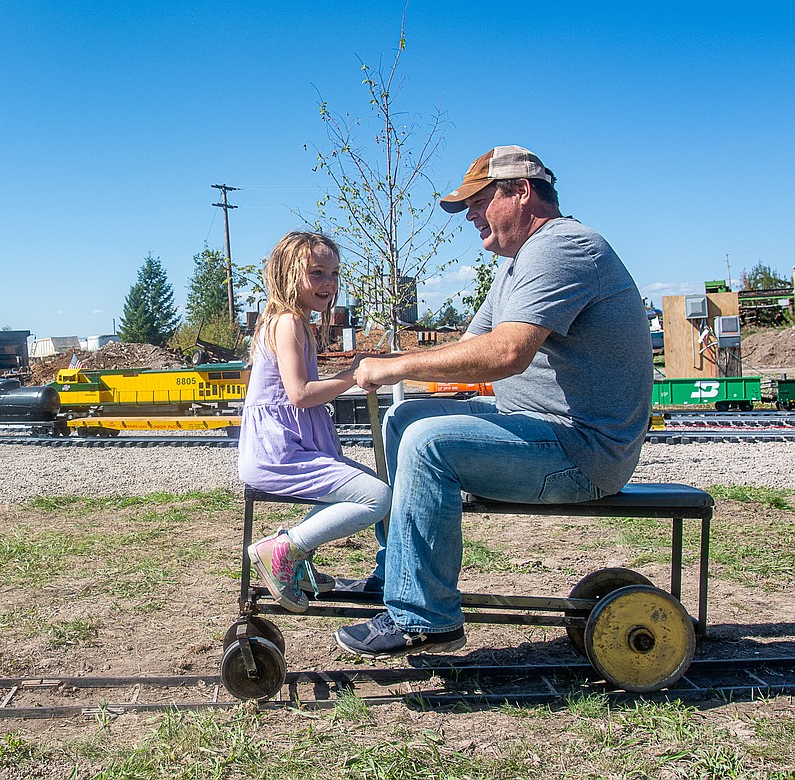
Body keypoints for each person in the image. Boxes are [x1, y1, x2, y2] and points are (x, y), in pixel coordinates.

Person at [333, 146, 652, 657]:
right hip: (537, 428)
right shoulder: (516, 263)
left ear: (521, 192)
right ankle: (395, 574)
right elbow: (466, 347)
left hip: (585, 451)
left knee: (427, 442)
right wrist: (372, 361)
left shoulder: (564, 247)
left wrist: (391, 368)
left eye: (478, 201)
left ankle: (425, 618)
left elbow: (505, 354)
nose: (471, 216)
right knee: (405, 416)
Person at [238, 231, 392, 613]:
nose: (329, 283)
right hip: (279, 454)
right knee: (377, 497)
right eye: (317, 272)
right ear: (288, 274)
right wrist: (351, 376)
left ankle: (295, 559)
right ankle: (285, 549)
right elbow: (300, 394)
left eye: (335, 273)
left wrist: (350, 368)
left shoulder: (294, 321)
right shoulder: (288, 322)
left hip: (287, 448)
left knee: (372, 489)